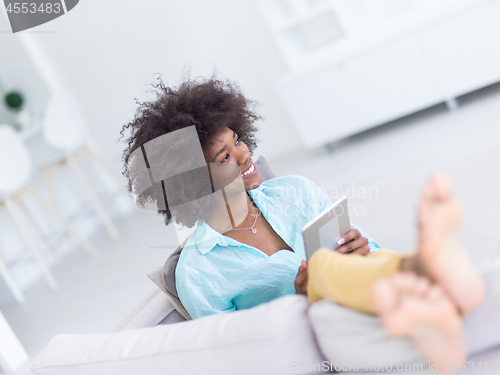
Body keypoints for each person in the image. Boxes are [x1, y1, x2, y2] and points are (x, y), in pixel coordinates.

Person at [120, 75, 380, 319]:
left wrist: (363, 250)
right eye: (225, 157)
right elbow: (240, 351)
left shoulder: (298, 191)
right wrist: (301, 301)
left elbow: (376, 255)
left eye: (238, 140)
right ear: (197, 183)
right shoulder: (200, 271)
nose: (244, 155)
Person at [305, 173, 486, 373]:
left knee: (378, 255)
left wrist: (358, 245)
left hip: (357, 280)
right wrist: (299, 289)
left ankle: (435, 314)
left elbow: (368, 246)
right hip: (311, 304)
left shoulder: (296, 188)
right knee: (318, 263)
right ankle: (422, 271)